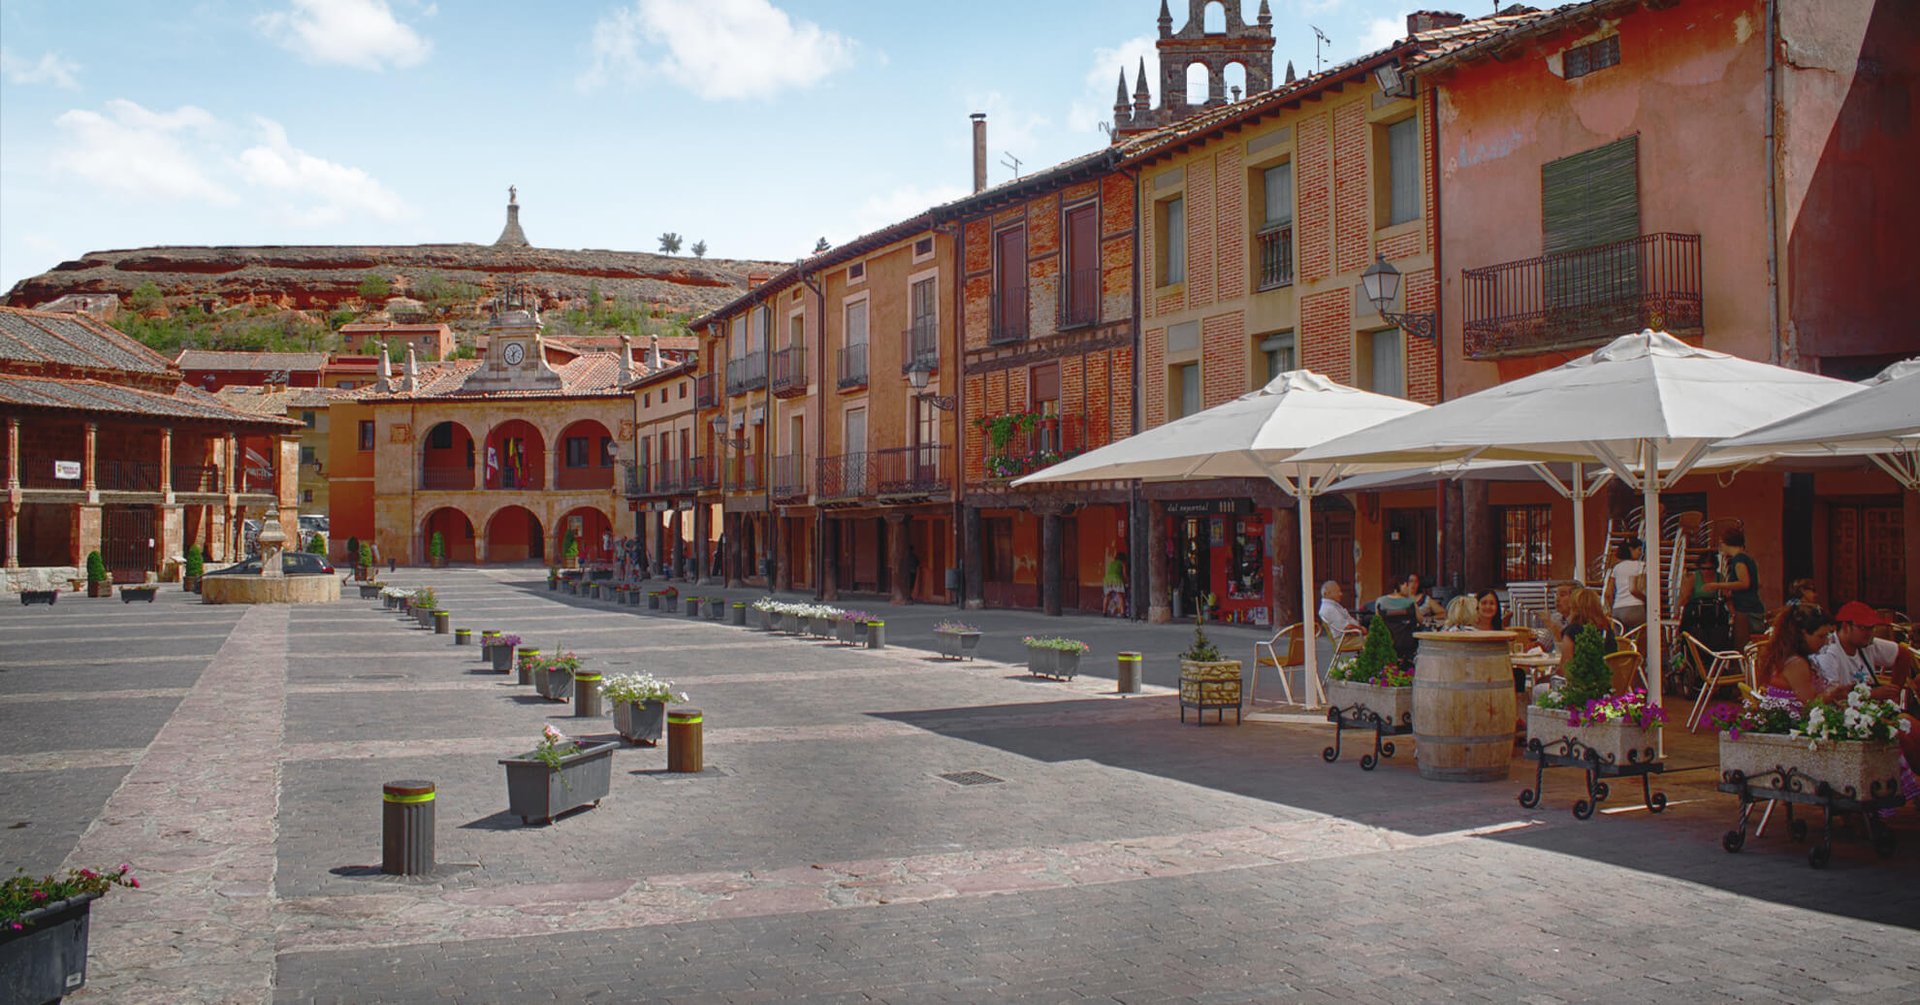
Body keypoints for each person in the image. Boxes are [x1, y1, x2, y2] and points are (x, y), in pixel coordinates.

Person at [1813, 601, 1915, 697]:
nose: (1869, 633)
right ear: (1845, 627)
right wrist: (1872, 694)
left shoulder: (1865, 643)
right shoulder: (1828, 652)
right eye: (1863, 628)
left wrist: (1894, 693)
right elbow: (1831, 695)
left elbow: (1903, 653)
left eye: (1872, 627)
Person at [1756, 603, 1841, 705]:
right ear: (1802, 634)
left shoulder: (1786, 656)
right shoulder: (1796, 663)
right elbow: (1810, 704)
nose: (1826, 641)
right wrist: (1832, 694)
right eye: (1821, 636)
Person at [1710, 528, 1765, 647]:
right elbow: (1758, 582)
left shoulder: (1738, 559)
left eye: (1721, 543)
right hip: (1754, 606)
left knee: (1742, 645)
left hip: (1744, 608)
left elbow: (1744, 582)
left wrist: (1718, 585)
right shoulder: (1749, 559)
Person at [1556, 586, 1617, 656]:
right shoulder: (1606, 628)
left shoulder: (1572, 632)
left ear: (1574, 608)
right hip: (1607, 666)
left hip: (1584, 666)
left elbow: (1566, 664)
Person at [1602, 539, 1647, 631]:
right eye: (1639, 549)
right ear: (1631, 549)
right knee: (1640, 640)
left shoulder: (1616, 568)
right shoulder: (1641, 566)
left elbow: (1608, 594)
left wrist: (1611, 610)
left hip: (1617, 609)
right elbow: (1638, 588)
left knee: (1620, 643)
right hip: (1636, 607)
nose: (1641, 553)